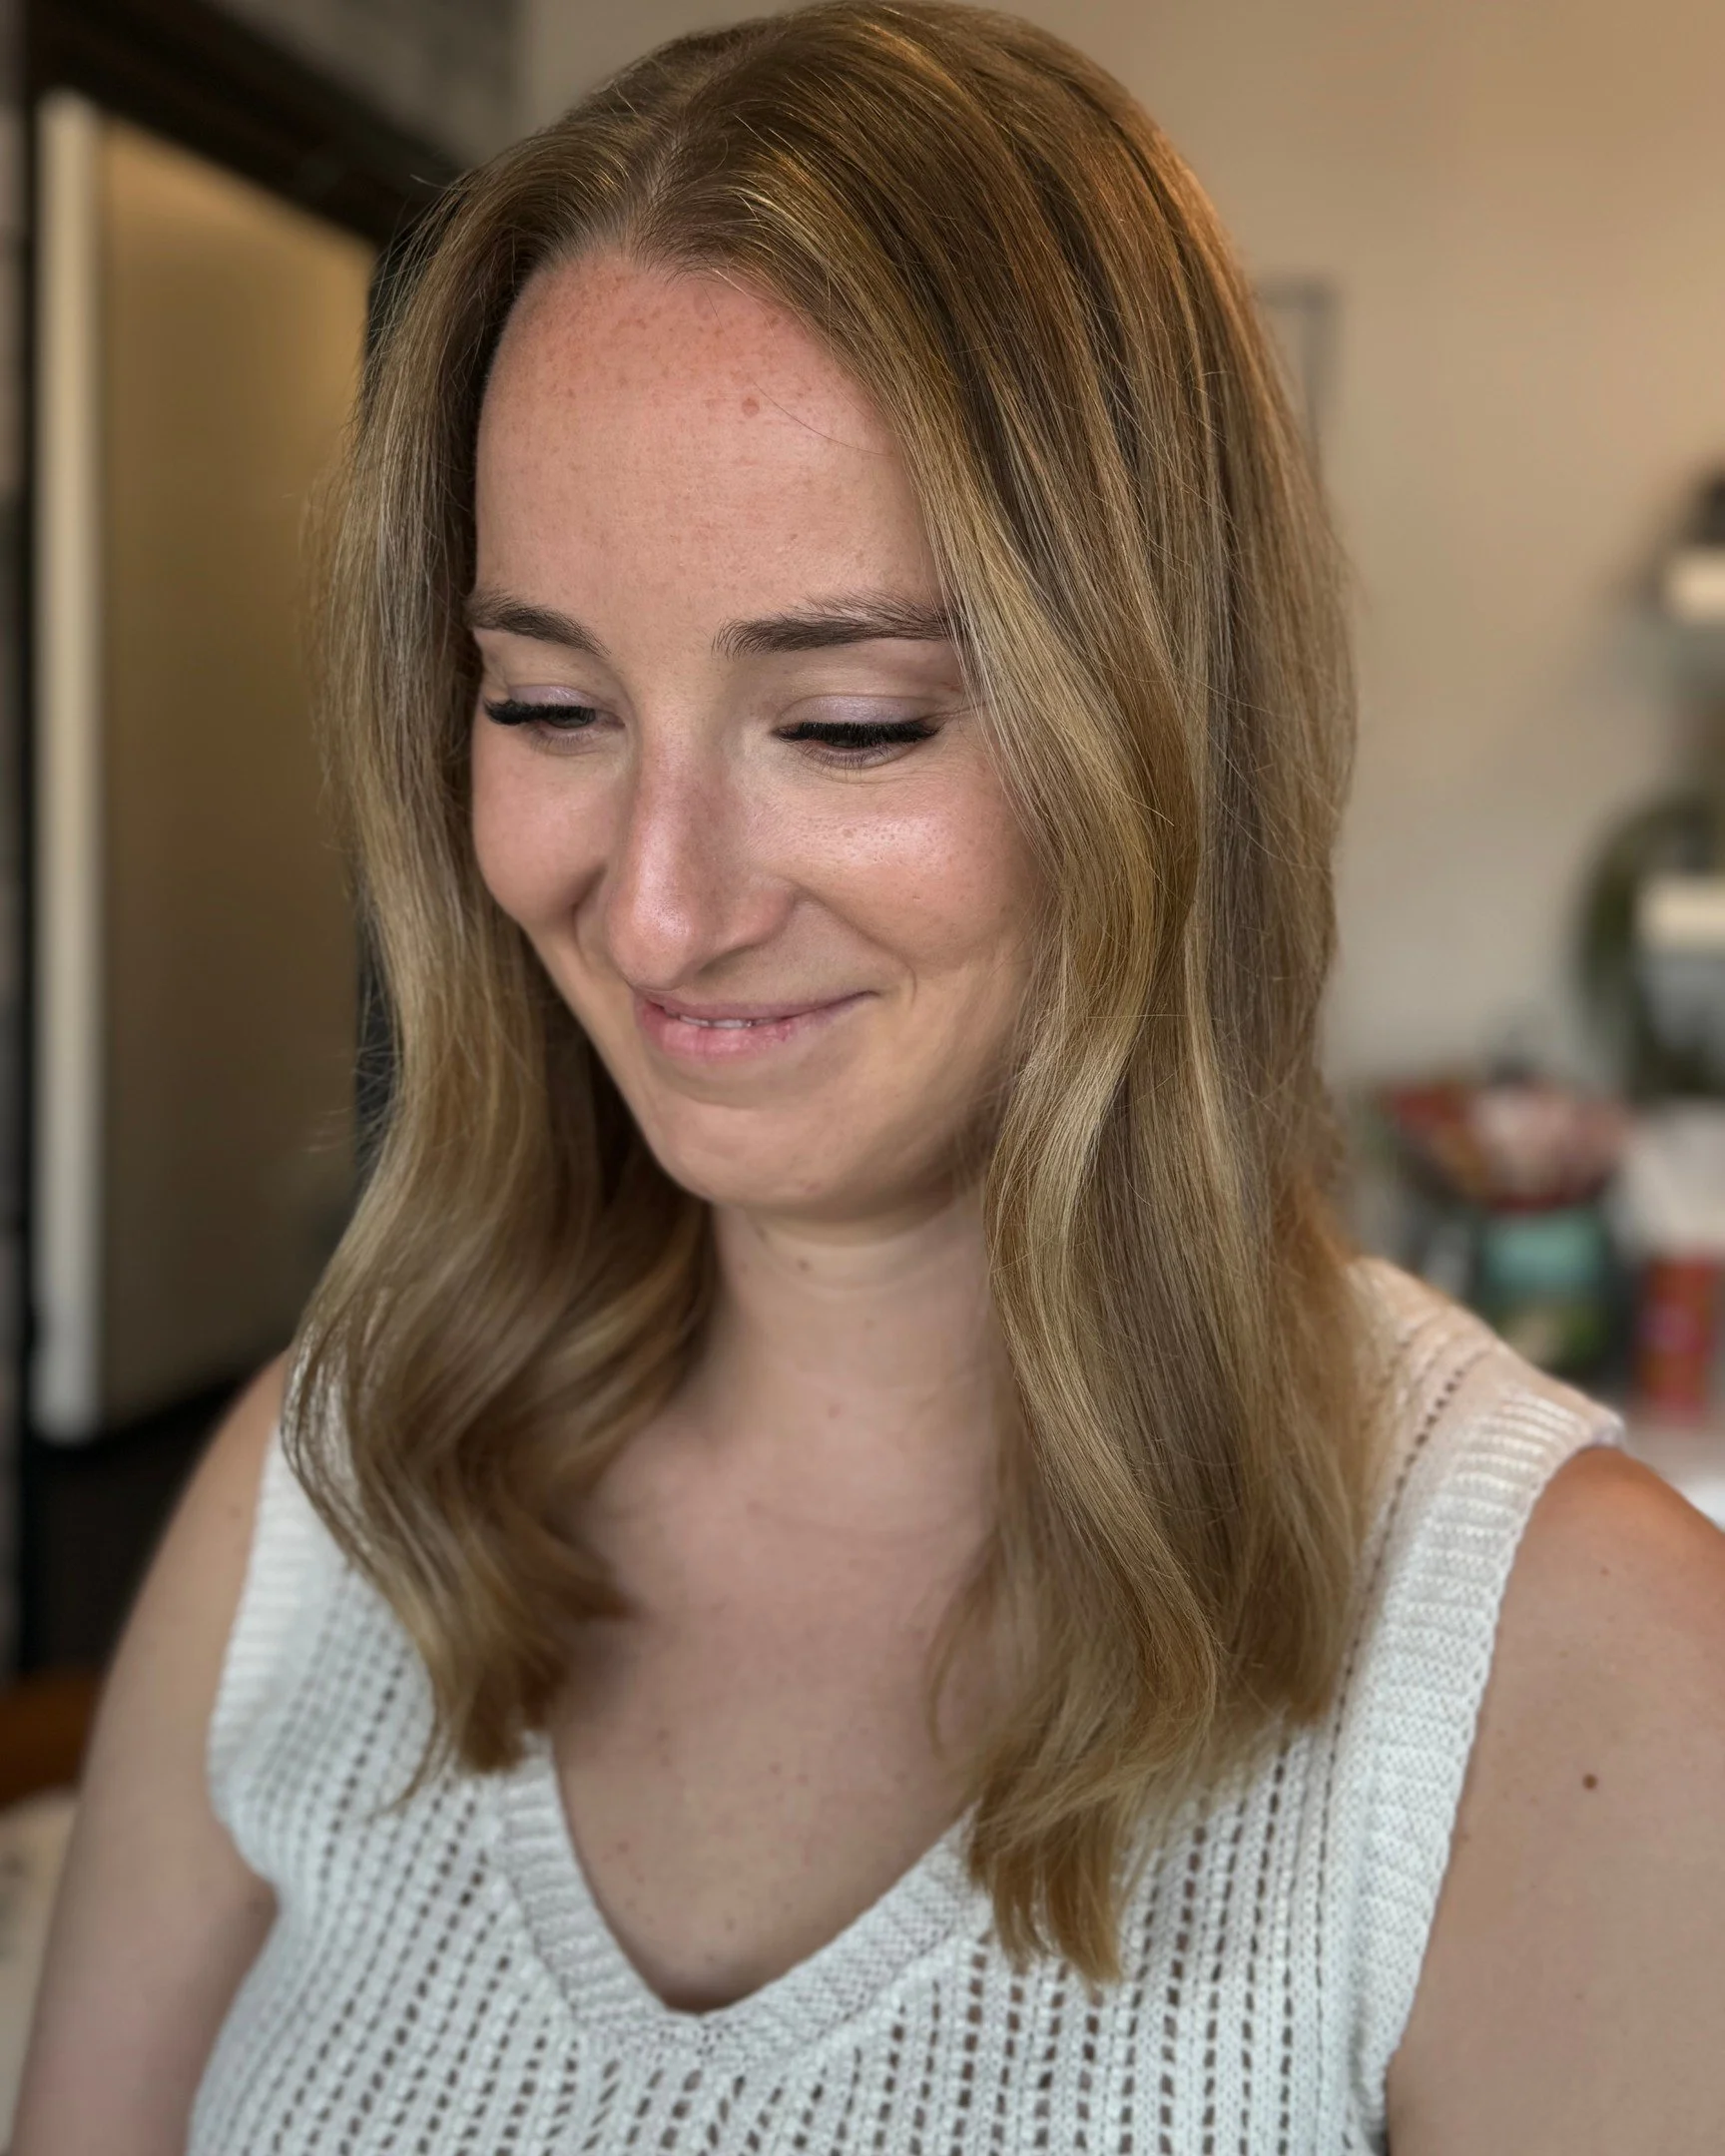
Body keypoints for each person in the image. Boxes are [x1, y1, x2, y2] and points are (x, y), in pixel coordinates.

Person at [16, 5, 1725, 2150]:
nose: (652, 912)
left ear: (1167, 732)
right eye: (546, 704)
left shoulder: (1563, 1680)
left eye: (847, 726)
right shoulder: (338, 1482)